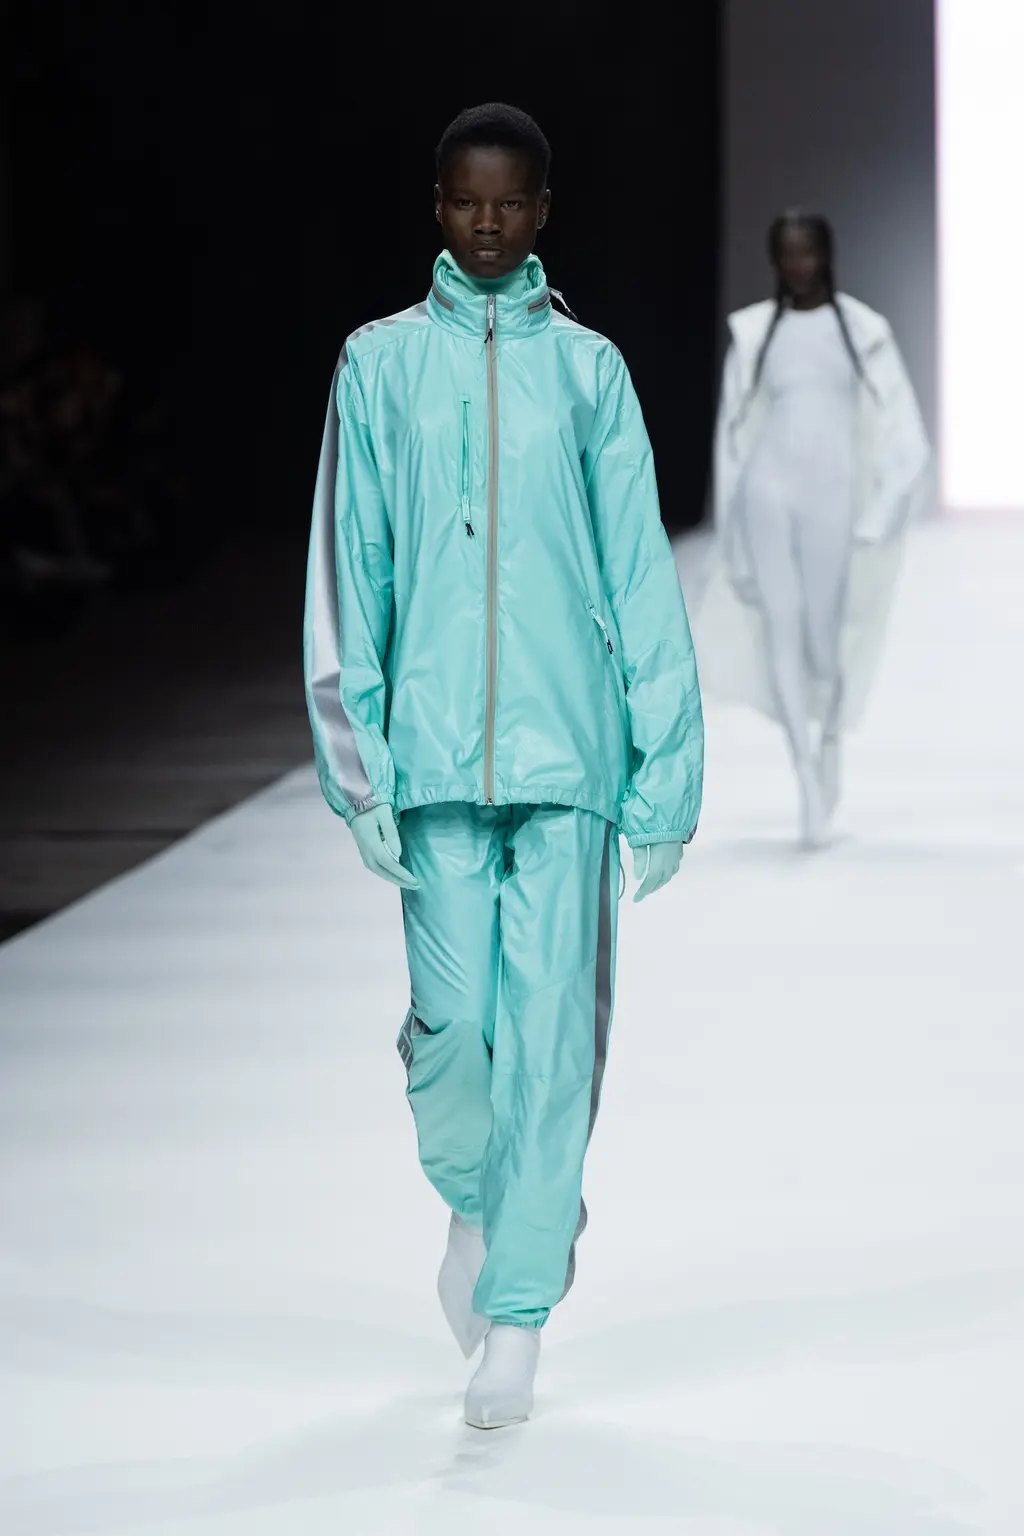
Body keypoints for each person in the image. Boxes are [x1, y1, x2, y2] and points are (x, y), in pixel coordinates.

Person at [303, 103, 703, 1428]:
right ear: (438, 207)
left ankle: (519, 1307)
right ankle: (480, 1203)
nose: (487, 222)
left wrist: (663, 775)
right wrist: (358, 764)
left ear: (542, 213)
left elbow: (639, 571)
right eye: (466, 201)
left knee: (551, 1036)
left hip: (569, 747)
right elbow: (350, 567)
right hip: (427, 754)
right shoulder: (376, 367)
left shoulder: (588, 373)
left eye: (510, 202)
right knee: (452, 1030)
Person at [697, 211, 930, 845]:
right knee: (781, 628)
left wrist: (881, 512)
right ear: (774, 260)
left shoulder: (863, 331)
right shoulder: (753, 334)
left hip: (833, 496)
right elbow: (731, 440)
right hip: (768, 492)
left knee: (824, 643)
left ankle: (828, 742)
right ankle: (803, 775)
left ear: (827, 254)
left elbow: (907, 432)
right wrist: (731, 543)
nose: (796, 265)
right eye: (785, 254)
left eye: (806, 252)